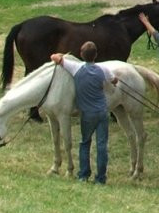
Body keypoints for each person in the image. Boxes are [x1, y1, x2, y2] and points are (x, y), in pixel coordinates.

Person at [50, 43, 117, 183]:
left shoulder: (75, 67)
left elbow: (54, 57)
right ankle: (100, 178)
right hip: (102, 111)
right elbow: (114, 80)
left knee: (85, 143)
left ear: (81, 55)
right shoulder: (103, 69)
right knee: (101, 145)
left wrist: (62, 56)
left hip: (87, 113)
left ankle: (84, 174)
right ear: (96, 55)